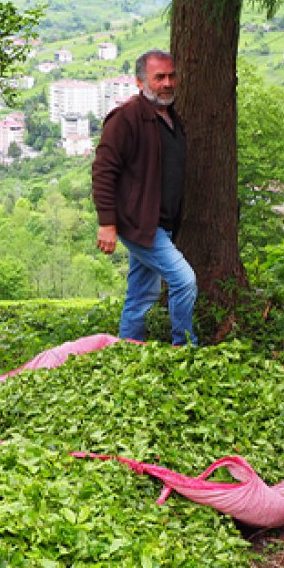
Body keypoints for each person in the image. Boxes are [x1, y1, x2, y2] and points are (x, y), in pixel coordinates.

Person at [91, 49, 197, 346]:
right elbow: (103, 170)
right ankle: (185, 347)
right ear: (140, 82)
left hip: (162, 224)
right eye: (159, 77)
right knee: (183, 280)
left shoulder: (171, 118)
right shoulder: (126, 118)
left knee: (141, 294)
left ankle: (127, 350)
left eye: (171, 76)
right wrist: (107, 223)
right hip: (139, 223)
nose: (167, 83)